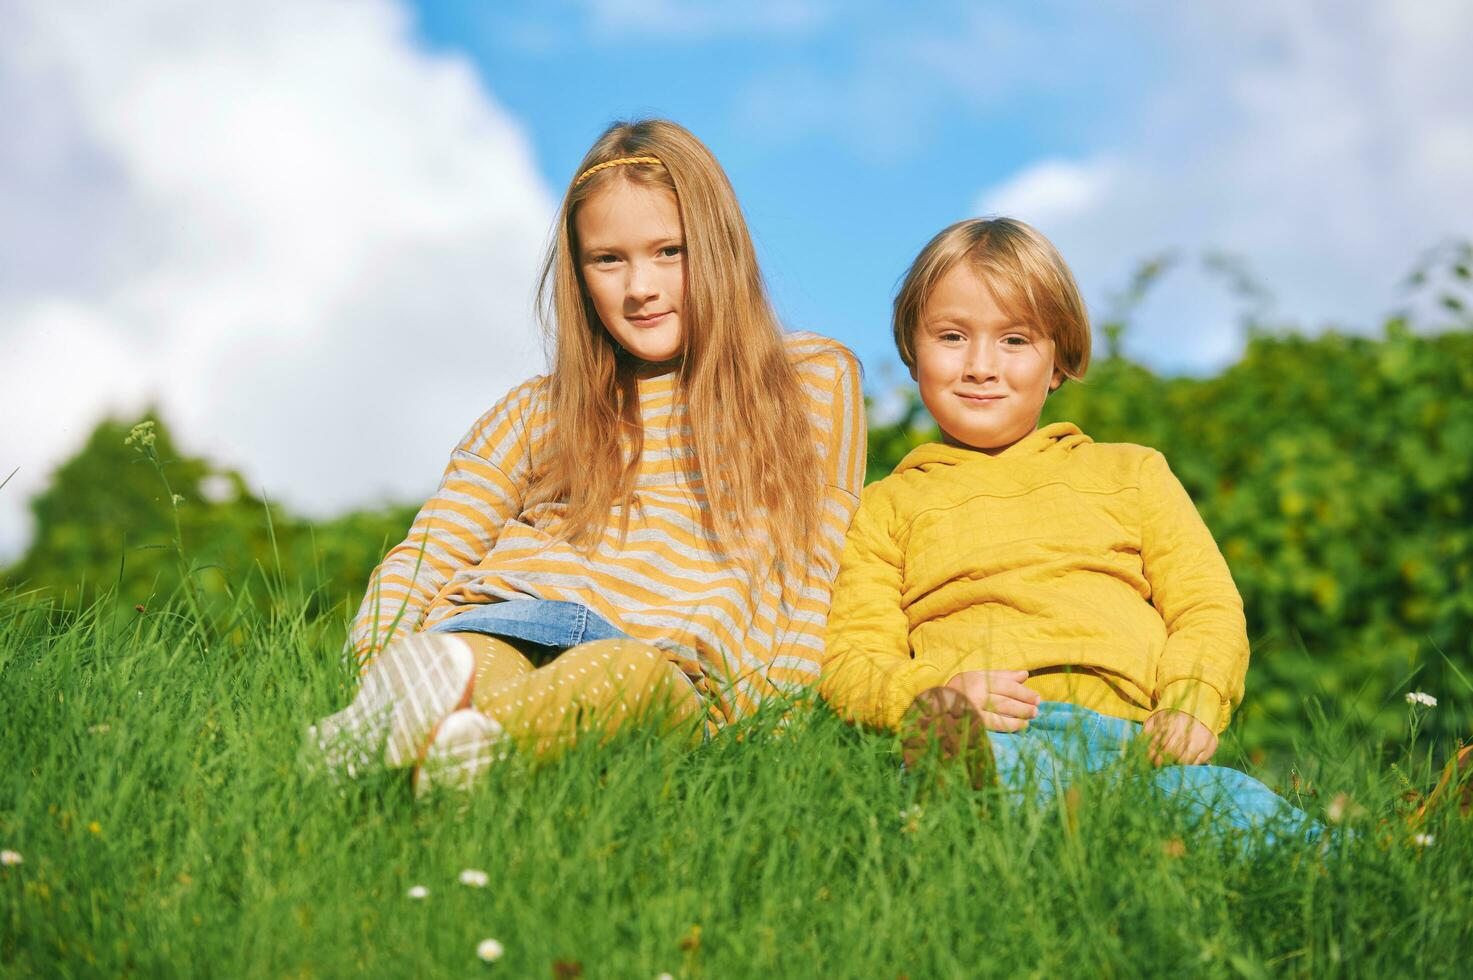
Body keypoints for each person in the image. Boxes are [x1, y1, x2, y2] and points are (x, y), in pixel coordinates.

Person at [310, 119, 865, 795]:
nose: (640, 286)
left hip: (661, 665)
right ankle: (413, 730)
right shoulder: (536, 409)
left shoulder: (807, 380)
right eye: (608, 260)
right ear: (578, 274)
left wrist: (770, 726)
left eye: (669, 252)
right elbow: (430, 550)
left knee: (619, 678)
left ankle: (440, 750)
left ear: (720, 249)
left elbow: (814, 566)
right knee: (461, 659)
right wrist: (374, 660)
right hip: (507, 613)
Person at [820, 217, 1311, 838]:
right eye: (951, 336)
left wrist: (1191, 701)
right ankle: (982, 796)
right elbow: (853, 657)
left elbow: (1205, 605)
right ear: (913, 354)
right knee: (1002, 773)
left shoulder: (1132, 474)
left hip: (1141, 743)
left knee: (1237, 806)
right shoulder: (885, 506)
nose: (979, 365)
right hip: (994, 732)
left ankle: (1380, 847)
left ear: (1060, 362)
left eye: (1014, 341)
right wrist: (932, 694)